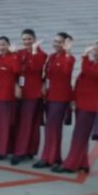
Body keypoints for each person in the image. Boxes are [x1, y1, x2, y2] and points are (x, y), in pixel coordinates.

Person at [54, 42, 98, 173]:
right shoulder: (91, 64)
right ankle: (83, 163)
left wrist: (84, 56)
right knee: (81, 136)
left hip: (89, 107)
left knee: (79, 136)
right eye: (95, 50)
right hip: (81, 104)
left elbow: (87, 72)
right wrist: (73, 99)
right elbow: (79, 83)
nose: (96, 52)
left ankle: (70, 165)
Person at [35, 33, 75, 169]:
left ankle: (49, 158)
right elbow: (46, 74)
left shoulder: (69, 58)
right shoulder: (52, 57)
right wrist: (43, 84)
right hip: (50, 96)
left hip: (61, 97)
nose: (57, 44)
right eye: (56, 41)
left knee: (53, 127)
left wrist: (68, 53)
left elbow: (66, 71)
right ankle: (53, 156)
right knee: (50, 128)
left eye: (61, 42)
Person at [12, 29, 48, 165]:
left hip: (33, 94)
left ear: (34, 39)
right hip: (20, 92)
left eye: (29, 39)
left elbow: (35, 68)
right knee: (20, 123)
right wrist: (16, 86)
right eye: (24, 39)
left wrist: (33, 52)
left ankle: (23, 152)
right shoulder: (20, 53)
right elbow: (15, 70)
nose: (26, 42)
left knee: (28, 124)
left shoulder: (42, 54)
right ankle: (23, 150)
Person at [0, 36, 21, 161]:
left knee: (4, 124)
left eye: (4, 45)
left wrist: (15, 54)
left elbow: (17, 70)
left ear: (8, 45)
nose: (1, 47)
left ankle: (1, 151)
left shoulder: (13, 57)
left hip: (7, 96)